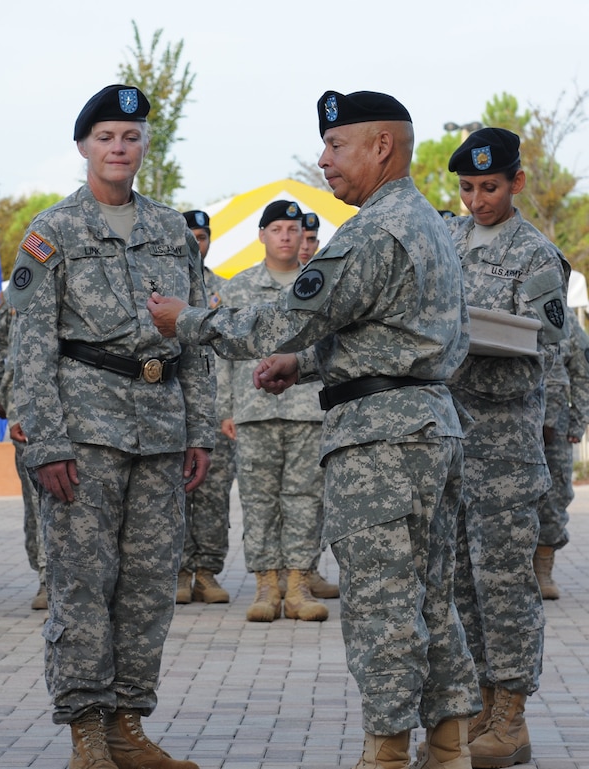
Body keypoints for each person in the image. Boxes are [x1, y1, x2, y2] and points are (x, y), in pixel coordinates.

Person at [148, 90, 480, 769]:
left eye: (336, 146)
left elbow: (274, 320)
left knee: (382, 599)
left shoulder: (370, 232)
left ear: (381, 146)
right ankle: (449, 745)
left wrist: (184, 320)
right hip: (428, 424)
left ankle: (386, 750)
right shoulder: (428, 226)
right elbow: (394, 335)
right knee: (430, 594)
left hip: (380, 442)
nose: (323, 161)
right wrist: (302, 367)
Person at [7, 83, 216, 769]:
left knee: (150, 584)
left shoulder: (170, 231)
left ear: (145, 146)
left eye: (130, 136)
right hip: (84, 432)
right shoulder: (52, 232)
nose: (119, 148)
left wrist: (199, 428)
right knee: (82, 583)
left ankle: (128, 721)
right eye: (106, 137)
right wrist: (46, 442)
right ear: (83, 147)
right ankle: (87, 730)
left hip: (160, 428)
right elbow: (29, 346)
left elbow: (194, 335)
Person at [445, 127, 569, 768]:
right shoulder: (450, 240)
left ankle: (512, 718)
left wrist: (468, 334)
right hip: (451, 438)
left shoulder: (536, 255)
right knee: (461, 586)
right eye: (467, 187)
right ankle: (479, 706)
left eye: (489, 187)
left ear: (516, 183)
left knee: (503, 585)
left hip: (504, 446)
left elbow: (542, 342)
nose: (476, 200)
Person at [218, 200, 329, 623]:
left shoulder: (320, 284)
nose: (285, 236)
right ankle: (266, 585)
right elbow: (223, 352)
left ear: (304, 237)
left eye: (293, 229)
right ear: (261, 235)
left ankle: (298, 584)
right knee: (258, 500)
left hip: (309, 410)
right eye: (277, 229)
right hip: (253, 410)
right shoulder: (238, 288)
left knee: (305, 499)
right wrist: (224, 408)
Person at [176, 209, 233, 606]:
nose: (198, 243)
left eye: (203, 235)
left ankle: (207, 572)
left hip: (215, 408)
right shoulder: (162, 286)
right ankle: (178, 570)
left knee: (213, 495)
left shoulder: (224, 291)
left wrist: (226, 408)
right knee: (173, 494)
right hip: (171, 410)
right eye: (190, 236)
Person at [0, 291, 48, 609]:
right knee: (37, 503)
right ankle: (48, 579)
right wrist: (3, 397)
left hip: (83, 412)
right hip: (27, 414)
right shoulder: (17, 293)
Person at [537, 320, 589, 599]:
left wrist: (578, 422)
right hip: (513, 421)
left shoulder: (566, 320)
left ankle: (543, 570)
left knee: (555, 497)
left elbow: (583, 374)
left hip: (557, 427)